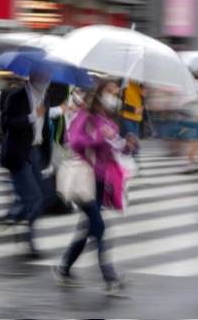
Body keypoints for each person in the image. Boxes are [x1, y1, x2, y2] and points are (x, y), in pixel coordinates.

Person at [52, 80, 133, 296]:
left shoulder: (108, 118)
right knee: (99, 227)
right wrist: (100, 137)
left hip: (99, 182)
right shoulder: (86, 116)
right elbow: (74, 140)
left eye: (116, 92)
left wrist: (128, 145)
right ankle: (110, 278)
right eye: (110, 91)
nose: (113, 96)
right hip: (83, 179)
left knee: (88, 228)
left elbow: (117, 149)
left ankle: (64, 268)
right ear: (99, 93)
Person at [0, 66, 53, 258]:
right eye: (44, 75)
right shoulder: (16, 95)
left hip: (36, 152)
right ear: (34, 76)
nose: (47, 79)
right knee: (34, 198)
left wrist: (48, 158)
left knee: (42, 198)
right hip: (18, 153)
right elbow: (7, 123)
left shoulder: (44, 97)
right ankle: (29, 241)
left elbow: (45, 130)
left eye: (48, 76)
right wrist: (31, 116)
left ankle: (15, 218)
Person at [119, 80, 144, 155]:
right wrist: (133, 109)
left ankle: (126, 153)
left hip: (137, 117)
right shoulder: (125, 82)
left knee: (127, 137)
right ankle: (133, 153)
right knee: (132, 137)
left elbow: (142, 100)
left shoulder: (141, 84)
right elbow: (120, 102)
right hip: (126, 116)